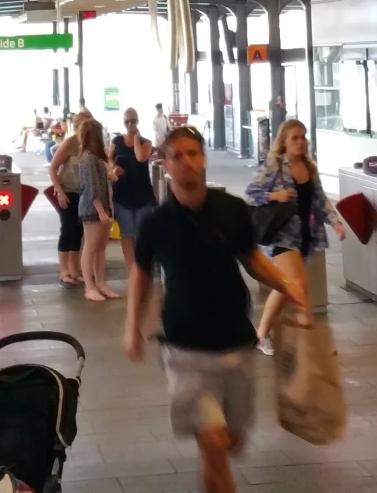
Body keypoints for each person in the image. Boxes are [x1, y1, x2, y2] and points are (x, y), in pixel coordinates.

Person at [125, 126, 309, 493]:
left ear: (204, 158)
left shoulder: (231, 210)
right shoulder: (155, 224)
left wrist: (286, 286)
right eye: (178, 156)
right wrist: (132, 326)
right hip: (183, 347)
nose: (187, 162)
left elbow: (252, 258)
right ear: (165, 162)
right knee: (212, 444)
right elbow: (141, 274)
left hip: (235, 342)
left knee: (231, 442)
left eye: (193, 154)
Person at [245, 118, 338, 353]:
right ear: (284, 142)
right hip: (281, 236)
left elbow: (319, 199)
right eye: (294, 138)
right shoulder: (276, 166)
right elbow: (252, 191)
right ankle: (310, 336)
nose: (301, 142)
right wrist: (275, 196)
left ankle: (261, 334)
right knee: (298, 285)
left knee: (286, 286)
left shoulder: (309, 168)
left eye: (303, 137)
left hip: (305, 237)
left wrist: (336, 223)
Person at [72, 118, 120, 301]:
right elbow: (91, 188)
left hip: (104, 206)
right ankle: (90, 287)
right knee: (91, 247)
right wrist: (101, 211)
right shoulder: (88, 159)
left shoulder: (97, 157)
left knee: (100, 248)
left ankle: (100, 283)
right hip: (94, 208)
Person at [113, 108, 160, 271]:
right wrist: (113, 167)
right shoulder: (117, 141)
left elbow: (141, 157)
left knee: (142, 234)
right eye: (127, 121)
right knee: (127, 234)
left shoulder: (145, 142)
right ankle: (131, 268)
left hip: (142, 195)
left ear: (138, 121)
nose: (130, 124)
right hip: (122, 195)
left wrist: (136, 138)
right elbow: (107, 158)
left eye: (133, 120)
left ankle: (142, 267)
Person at [48, 122, 88, 286]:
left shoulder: (90, 145)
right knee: (67, 228)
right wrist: (60, 192)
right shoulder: (69, 144)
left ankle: (74, 269)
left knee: (78, 230)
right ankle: (64, 270)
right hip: (67, 190)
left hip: (83, 192)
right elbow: (53, 168)